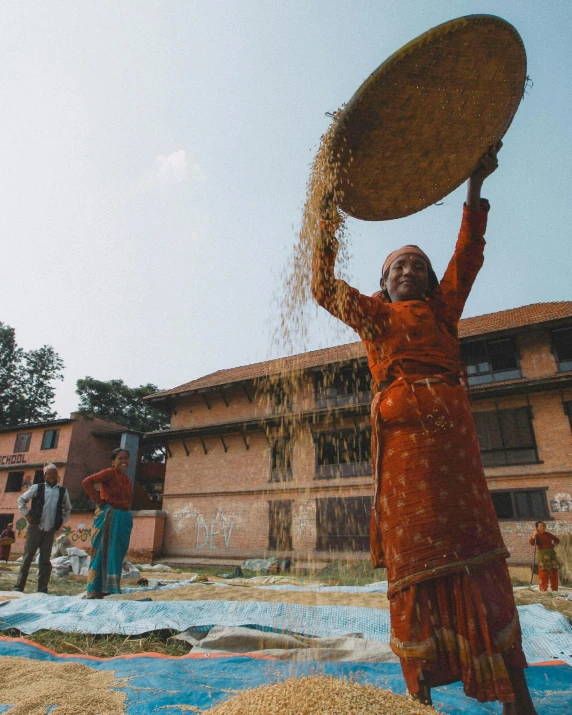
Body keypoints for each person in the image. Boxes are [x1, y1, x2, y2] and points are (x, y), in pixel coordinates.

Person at [312, 145, 538, 715]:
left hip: (454, 449)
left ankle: (519, 698)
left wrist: (474, 189)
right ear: (383, 285)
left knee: (479, 554)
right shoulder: (375, 317)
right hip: (406, 453)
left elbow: (469, 255)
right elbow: (322, 285)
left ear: (433, 283)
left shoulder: (443, 312)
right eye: (397, 267)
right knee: (416, 563)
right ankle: (420, 699)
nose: (408, 270)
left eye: (418, 266)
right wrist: (326, 219)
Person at [81, 447, 133, 598]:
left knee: (115, 553)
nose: (124, 461)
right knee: (102, 551)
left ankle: (108, 588)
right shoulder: (110, 473)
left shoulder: (126, 479)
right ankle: (93, 589)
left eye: (126, 458)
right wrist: (99, 502)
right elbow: (87, 482)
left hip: (122, 518)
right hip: (109, 516)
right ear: (113, 461)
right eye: (120, 458)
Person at [15, 464, 72, 593]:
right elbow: (21, 500)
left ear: (57, 476)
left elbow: (68, 508)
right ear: (45, 476)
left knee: (45, 561)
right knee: (28, 557)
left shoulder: (62, 491)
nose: (52, 475)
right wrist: (27, 515)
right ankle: (19, 587)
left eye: (54, 473)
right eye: (49, 473)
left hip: (50, 530)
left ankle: (42, 589)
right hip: (35, 527)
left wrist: (61, 521)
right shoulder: (37, 488)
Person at [530, 521, 560, 592]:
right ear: (537, 528)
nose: (542, 527)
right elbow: (532, 543)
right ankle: (543, 589)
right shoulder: (537, 535)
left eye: (543, 526)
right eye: (540, 526)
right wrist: (533, 536)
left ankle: (554, 589)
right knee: (543, 571)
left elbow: (557, 540)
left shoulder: (548, 534)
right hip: (542, 554)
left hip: (551, 554)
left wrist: (553, 545)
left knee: (553, 570)